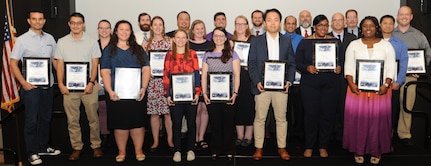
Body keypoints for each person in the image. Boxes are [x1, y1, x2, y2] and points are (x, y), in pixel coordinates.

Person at [10, 9, 61, 165]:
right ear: (29, 21)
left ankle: (43, 147)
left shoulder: (50, 38)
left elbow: (54, 60)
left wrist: (62, 79)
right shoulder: (22, 40)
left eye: (40, 19)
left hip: (49, 85)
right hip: (31, 87)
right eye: (34, 19)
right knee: (32, 120)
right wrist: (23, 82)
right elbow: (13, 63)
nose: (38, 21)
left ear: (44, 21)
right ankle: (32, 152)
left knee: (45, 118)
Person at [343, 16, 396, 164]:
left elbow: (391, 67)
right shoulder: (354, 45)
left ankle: (376, 150)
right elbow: (348, 67)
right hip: (357, 91)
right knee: (357, 121)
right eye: (365, 26)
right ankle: (358, 149)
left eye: (371, 26)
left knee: (377, 122)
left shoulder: (386, 46)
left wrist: (386, 85)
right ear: (361, 28)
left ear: (376, 27)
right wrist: (351, 84)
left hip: (381, 91)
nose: (368, 28)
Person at [100, 20, 150, 163]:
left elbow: (146, 69)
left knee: (137, 123)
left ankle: (138, 150)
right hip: (116, 94)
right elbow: (105, 71)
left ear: (131, 32)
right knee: (120, 123)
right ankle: (121, 151)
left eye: (127, 29)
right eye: (121, 29)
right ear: (116, 32)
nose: (124, 32)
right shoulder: (109, 50)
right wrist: (109, 91)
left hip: (136, 93)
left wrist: (144, 87)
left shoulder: (138, 49)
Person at [55, 12, 103, 161]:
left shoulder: (92, 42)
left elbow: (95, 64)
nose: (76, 25)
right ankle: (77, 147)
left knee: (93, 118)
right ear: (69, 24)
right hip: (69, 89)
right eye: (73, 23)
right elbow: (60, 65)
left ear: (84, 24)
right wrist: (61, 85)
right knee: (72, 120)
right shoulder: (62, 42)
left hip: (89, 87)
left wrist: (90, 83)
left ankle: (96, 146)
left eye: (79, 23)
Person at [248, 8, 295, 161]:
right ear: (264, 22)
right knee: (260, 118)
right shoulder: (256, 40)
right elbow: (252, 64)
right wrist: (257, 82)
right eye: (269, 19)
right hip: (262, 87)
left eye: (276, 19)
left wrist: (289, 81)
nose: (272, 22)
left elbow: (292, 64)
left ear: (280, 23)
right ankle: (258, 147)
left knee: (281, 118)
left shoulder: (286, 41)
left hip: (281, 88)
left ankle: (282, 147)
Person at [296, 14, 343, 158]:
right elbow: (297, 63)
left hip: (331, 84)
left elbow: (341, 60)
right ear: (314, 27)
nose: (323, 28)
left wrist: (339, 67)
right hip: (310, 85)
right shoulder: (305, 42)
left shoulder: (335, 42)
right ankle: (309, 146)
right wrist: (307, 68)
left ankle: (323, 146)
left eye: (325, 25)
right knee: (310, 115)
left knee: (327, 115)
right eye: (320, 25)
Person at [202, 27, 241, 160]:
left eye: (221, 36)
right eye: (216, 36)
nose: (218, 38)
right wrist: (205, 94)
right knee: (215, 124)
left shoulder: (233, 54)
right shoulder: (207, 54)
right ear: (212, 38)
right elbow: (204, 76)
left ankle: (229, 149)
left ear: (225, 38)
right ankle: (216, 149)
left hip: (229, 95)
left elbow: (237, 75)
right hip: (212, 96)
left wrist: (235, 93)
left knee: (228, 124)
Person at [394, 6, 431, 146]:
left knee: (406, 105)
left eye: (406, 14)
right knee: (390, 106)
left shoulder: (419, 35)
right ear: (397, 16)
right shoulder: (391, 34)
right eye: (401, 14)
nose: (404, 17)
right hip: (392, 76)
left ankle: (403, 133)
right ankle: (388, 131)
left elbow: (428, 52)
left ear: (411, 17)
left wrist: (420, 70)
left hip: (410, 77)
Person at [163, 29, 201, 162]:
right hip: (175, 97)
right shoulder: (168, 55)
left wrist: (197, 92)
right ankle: (177, 150)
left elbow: (197, 74)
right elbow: (166, 76)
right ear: (173, 39)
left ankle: (191, 149)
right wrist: (167, 95)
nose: (180, 40)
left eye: (183, 37)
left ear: (187, 40)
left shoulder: (192, 54)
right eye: (177, 37)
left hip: (191, 96)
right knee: (176, 124)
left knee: (191, 123)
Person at [143, 16, 174, 152]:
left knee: (168, 113)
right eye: (154, 25)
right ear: (151, 27)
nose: (157, 27)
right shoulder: (146, 43)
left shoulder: (169, 42)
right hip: (153, 82)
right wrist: (147, 71)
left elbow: (174, 61)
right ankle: (155, 141)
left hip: (167, 81)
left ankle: (170, 139)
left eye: (160, 25)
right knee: (154, 114)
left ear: (163, 26)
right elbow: (143, 62)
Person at [328, 12, 357, 142]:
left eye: (340, 20)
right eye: (335, 20)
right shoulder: (325, 38)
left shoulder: (353, 38)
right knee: (331, 106)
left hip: (347, 80)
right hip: (329, 79)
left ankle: (343, 135)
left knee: (345, 107)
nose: (338, 22)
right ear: (331, 23)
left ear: (345, 22)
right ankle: (331, 133)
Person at [379, 14, 408, 138]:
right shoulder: (374, 41)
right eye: (385, 23)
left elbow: (403, 64)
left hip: (393, 84)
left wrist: (399, 81)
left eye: (390, 23)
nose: (387, 25)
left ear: (394, 25)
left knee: (391, 113)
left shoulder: (400, 44)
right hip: (377, 84)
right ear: (380, 25)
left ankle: (387, 139)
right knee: (377, 113)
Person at [232, 15, 255, 147]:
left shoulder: (254, 40)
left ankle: (248, 135)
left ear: (247, 25)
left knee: (249, 106)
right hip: (236, 78)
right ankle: (240, 135)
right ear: (235, 26)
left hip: (249, 77)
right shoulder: (230, 42)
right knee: (238, 106)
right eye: (237, 23)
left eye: (243, 24)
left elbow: (258, 59)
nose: (240, 26)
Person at [283, 15, 305, 148]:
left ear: (296, 25)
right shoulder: (280, 39)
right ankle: (286, 135)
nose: (290, 26)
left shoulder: (302, 40)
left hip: (300, 80)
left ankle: (298, 134)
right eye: (288, 24)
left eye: (293, 24)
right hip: (283, 79)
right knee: (285, 111)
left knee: (299, 109)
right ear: (285, 25)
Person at [188, 19, 210, 150]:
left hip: (207, 80)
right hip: (193, 80)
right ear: (192, 30)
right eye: (197, 28)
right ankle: (194, 137)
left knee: (205, 109)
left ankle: (201, 137)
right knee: (195, 109)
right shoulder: (188, 44)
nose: (200, 31)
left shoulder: (210, 44)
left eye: (202, 28)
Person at [96, 19, 112, 148]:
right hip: (98, 84)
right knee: (102, 109)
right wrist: (94, 81)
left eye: (107, 28)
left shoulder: (117, 45)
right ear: (98, 30)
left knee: (116, 109)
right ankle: (105, 134)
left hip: (115, 84)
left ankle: (116, 133)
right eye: (101, 28)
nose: (104, 30)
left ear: (111, 30)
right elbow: (90, 65)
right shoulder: (93, 45)